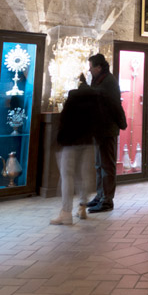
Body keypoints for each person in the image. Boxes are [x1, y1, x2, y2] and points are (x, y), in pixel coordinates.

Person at [79, 53, 126, 213]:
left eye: (91, 67)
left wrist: (85, 88)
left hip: (107, 129)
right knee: (99, 165)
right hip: (100, 128)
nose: (89, 70)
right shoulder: (100, 80)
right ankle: (100, 196)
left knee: (107, 165)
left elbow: (107, 101)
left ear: (98, 67)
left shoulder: (108, 81)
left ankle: (107, 200)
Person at [50, 87, 97, 225]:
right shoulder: (92, 105)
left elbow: (63, 123)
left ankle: (66, 212)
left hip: (70, 143)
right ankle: (82, 206)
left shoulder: (72, 103)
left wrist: (58, 141)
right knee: (83, 175)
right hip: (88, 142)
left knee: (67, 176)